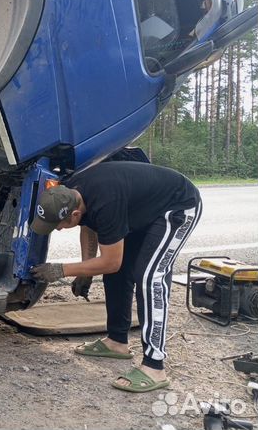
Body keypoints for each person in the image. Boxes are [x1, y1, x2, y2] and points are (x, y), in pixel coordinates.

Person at [29, 161, 202, 393]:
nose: (57, 229)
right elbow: (89, 225)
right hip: (142, 210)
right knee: (119, 273)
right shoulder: (70, 190)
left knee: (150, 277)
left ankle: (154, 366)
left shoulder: (106, 201)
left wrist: (62, 270)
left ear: (74, 214)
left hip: (178, 206)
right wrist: (85, 270)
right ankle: (117, 341)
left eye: (58, 225)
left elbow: (111, 261)